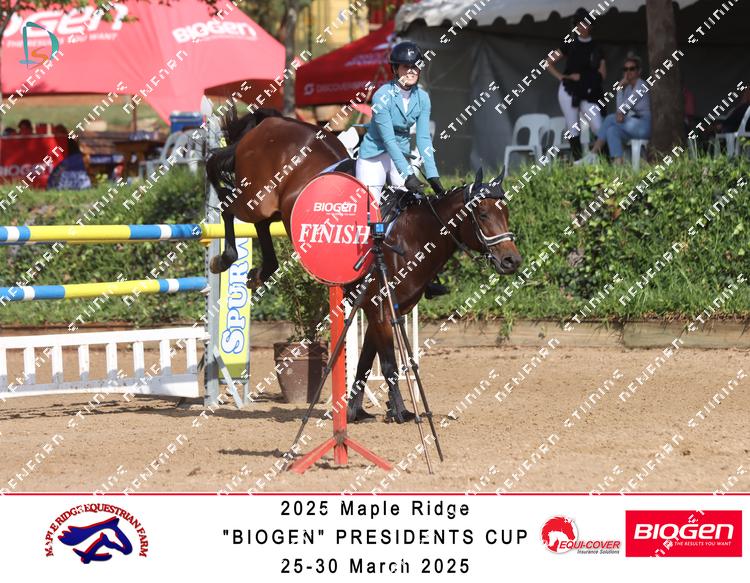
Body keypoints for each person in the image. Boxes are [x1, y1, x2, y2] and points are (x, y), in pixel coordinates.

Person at [356, 40, 448, 298]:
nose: (411, 71)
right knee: (371, 210)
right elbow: (388, 140)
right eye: (406, 66)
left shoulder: (423, 98)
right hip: (374, 156)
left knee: (415, 209)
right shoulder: (381, 96)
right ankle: (362, 273)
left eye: (415, 66)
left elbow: (424, 139)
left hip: (401, 154)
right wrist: (407, 175)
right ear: (395, 69)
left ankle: (427, 277)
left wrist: (433, 175)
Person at [546, 7, 606, 160]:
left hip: (588, 91)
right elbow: (548, 62)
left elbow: (602, 74)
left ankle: (602, 161)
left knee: (598, 126)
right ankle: (578, 162)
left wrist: (587, 79)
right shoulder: (570, 43)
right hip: (569, 90)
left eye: (585, 24)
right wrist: (562, 77)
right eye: (579, 24)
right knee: (573, 126)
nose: (582, 27)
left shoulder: (597, 47)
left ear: (590, 26)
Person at [586, 55, 651, 164]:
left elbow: (624, 108)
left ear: (639, 71)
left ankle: (593, 154)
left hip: (645, 125)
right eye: (625, 69)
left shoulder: (641, 86)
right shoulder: (628, 88)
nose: (628, 72)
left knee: (610, 118)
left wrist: (619, 89)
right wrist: (621, 91)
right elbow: (620, 111)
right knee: (612, 130)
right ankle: (618, 164)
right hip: (635, 123)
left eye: (632, 69)